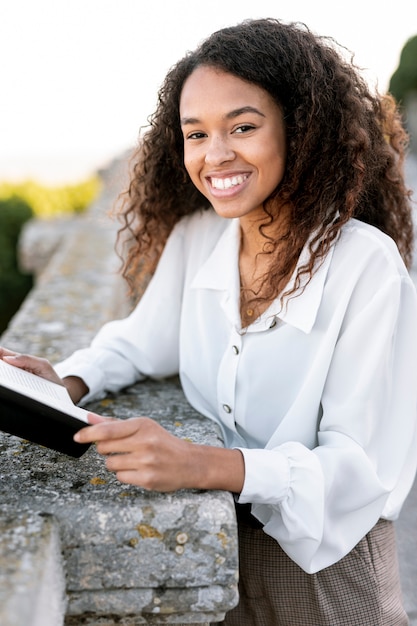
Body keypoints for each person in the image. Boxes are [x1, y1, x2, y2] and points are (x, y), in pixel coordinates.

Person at [1, 17, 417, 626]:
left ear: (300, 130)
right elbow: (142, 340)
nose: (215, 155)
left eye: (242, 127)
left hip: (324, 564)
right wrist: (65, 382)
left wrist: (200, 464)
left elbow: (364, 468)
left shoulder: (364, 265)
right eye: (195, 133)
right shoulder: (199, 237)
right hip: (217, 550)